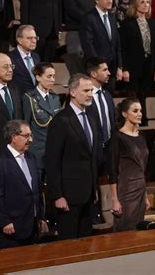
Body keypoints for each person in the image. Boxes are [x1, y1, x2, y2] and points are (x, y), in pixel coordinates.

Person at [45, 74, 99, 240]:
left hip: (88, 195)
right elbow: (52, 161)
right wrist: (57, 195)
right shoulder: (61, 121)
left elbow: (91, 157)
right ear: (73, 92)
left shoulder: (91, 117)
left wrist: (94, 188)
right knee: (69, 245)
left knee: (86, 243)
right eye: (86, 90)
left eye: (91, 90)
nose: (90, 94)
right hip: (68, 197)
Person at [0, 120, 45, 248]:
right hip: (12, 227)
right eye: (26, 136)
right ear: (14, 137)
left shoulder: (30, 157)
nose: (31, 140)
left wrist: (40, 216)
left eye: (31, 135)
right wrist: (4, 221)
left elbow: (36, 189)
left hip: (33, 225)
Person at [109, 98, 151, 231]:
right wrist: (115, 200)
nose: (139, 114)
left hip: (140, 191)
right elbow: (113, 171)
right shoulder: (118, 138)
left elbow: (142, 168)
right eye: (135, 111)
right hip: (126, 192)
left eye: (140, 111)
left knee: (139, 233)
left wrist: (145, 196)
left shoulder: (141, 136)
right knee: (124, 233)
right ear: (124, 114)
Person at [120, 0, 155, 124]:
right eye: (142, 2)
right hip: (132, 65)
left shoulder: (153, 24)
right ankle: (130, 121)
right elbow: (123, 48)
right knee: (133, 96)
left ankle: (143, 121)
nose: (145, 5)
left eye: (147, 2)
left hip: (149, 64)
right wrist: (124, 68)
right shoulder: (127, 24)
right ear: (135, 4)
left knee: (144, 94)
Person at [80, 0, 123, 91]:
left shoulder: (112, 17)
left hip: (111, 70)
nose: (110, 1)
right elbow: (87, 44)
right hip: (96, 70)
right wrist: (98, 66)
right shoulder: (88, 18)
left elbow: (117, 44)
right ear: (97, 0)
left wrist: (120, 66)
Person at [22, 62, 60, 181]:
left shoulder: (55, 97)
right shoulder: (29, 98)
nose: (52, 80)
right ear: (38, 77)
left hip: (54, 152)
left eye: (54, 76)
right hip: (37, 153)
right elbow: (26, 125)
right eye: (49, 76)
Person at [61, 0, 95, 75]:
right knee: (77, 68)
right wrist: (91, 19)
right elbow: (71, 10)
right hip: (76, 31)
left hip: (91, 31)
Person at [86, 58, 115, 176]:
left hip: (109, 150)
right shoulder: (84, 97)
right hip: (92, 151)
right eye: (105, 70)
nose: (109, 73)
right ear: (93, 74)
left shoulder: (107, 95)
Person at [9, 25, 41, 95]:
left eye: (35, 38)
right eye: (30, 38)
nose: (34, 41)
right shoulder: (9, 58)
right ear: (19, 40)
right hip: (19, 100)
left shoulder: (36, 57)